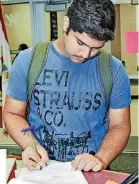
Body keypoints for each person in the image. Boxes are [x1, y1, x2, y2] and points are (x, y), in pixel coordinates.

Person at [3, 0, 131, 172]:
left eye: (96, 48)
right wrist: (29, 145)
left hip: (91, 171)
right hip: (41, 169)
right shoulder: (28, 61)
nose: (86, 55)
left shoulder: (113, 70)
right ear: (66, 24)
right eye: (80, 43)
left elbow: (120, 125)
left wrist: (101, 158)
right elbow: (12, 113)